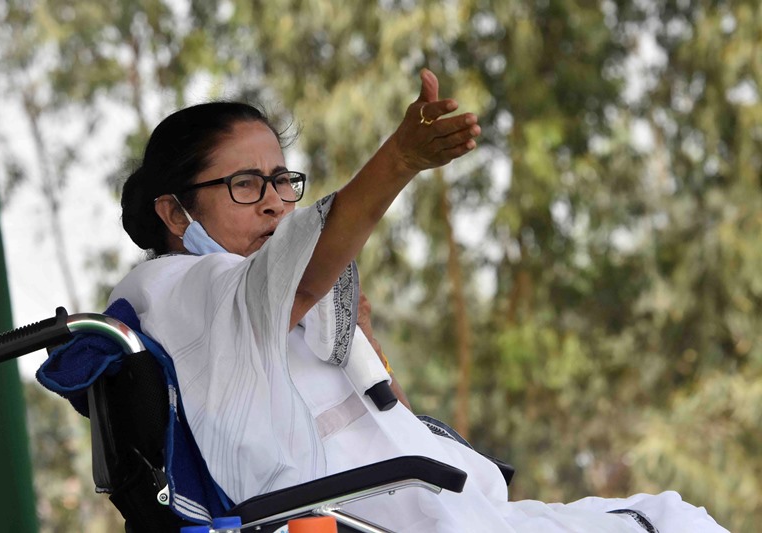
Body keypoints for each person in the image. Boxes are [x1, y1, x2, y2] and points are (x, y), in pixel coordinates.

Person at [110, 69, 727, 532]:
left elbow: (386, 410)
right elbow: (298, 278)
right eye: (244, 184)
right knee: (673, 522)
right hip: (385, 517)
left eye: (282, 180)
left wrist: (365, 349)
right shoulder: (177, 287)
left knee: (673, 517)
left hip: (444, 502)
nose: (274, 200)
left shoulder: (265, 296)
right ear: (173, 210)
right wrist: (400, 157)